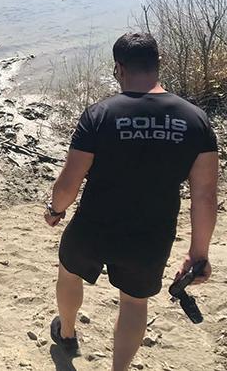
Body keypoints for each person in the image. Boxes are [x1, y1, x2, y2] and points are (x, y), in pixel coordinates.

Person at [45, 32, 218, 370]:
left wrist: (56, 210)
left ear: (118, 68)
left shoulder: (99, 114)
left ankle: (66, 333)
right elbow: (205, 196)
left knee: (68, 273)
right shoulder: (195, 120)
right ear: (159, 64)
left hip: (93, 226)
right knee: (135, 303)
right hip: (150, 235)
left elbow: (68, 183)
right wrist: (199, 253)